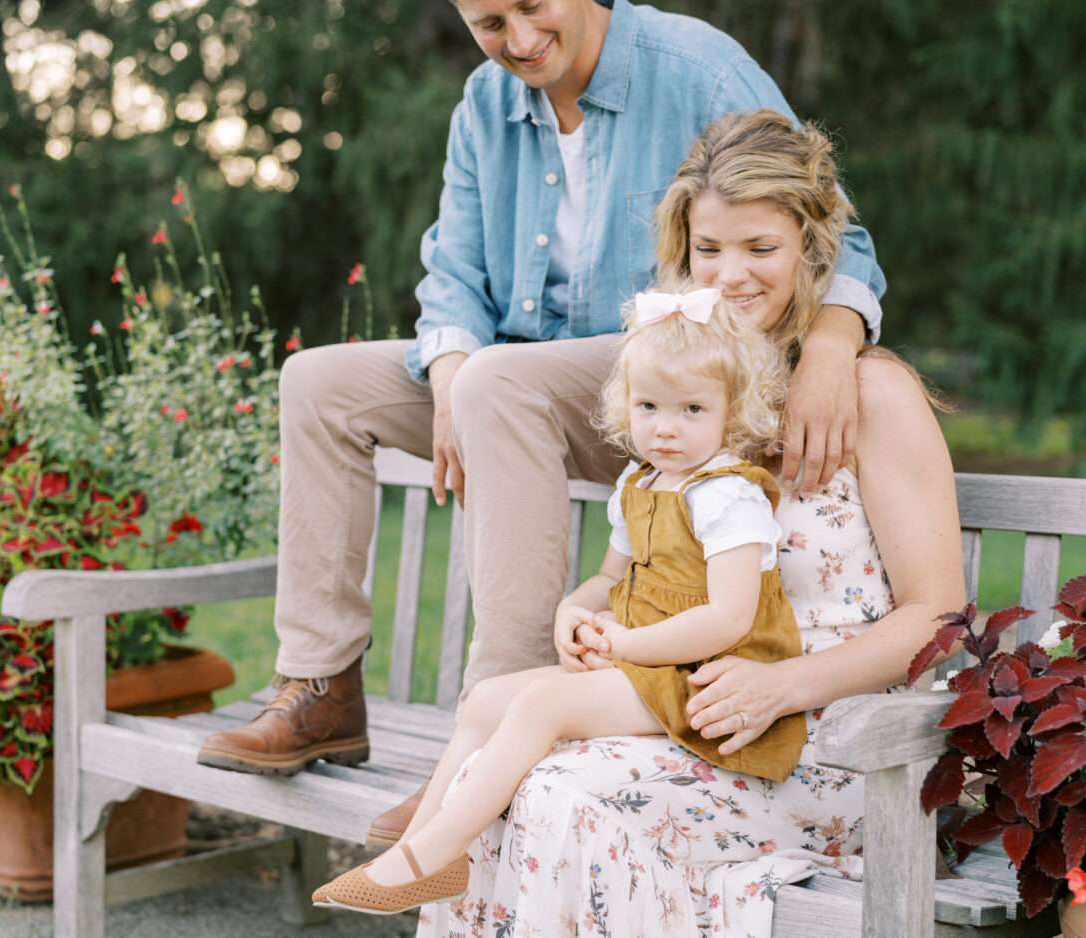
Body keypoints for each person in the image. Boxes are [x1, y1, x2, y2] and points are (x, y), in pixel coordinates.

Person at [196, 0, 888, 845]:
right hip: (517, 387)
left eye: (532, 8)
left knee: (499, 381)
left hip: (674, 389)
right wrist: (448, 374)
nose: (518, 42)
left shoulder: (696, 67)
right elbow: (451, 272)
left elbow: (830, 231)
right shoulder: (486, 106)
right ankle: (320, 687)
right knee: (320, 382)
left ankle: (490, 747)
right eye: (490, 21)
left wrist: (829, 347)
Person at [416, 109, 965, 937]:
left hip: (836, 742)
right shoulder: (688, 399)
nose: (733, 275)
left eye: (760, 249)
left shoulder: (870, 392)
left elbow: (940, 618)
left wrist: (782, 685)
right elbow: (644, 565)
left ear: (812, 248)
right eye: (710, 250)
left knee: (568, 795)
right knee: (510, 775)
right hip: (687, 713)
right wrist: (591, 614)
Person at [313, 281, 810, 914]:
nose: (665, 428)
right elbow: (610, 578)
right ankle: (423, 854)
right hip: (648, 666)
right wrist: (575, 610)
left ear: (730, 413)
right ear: (626, 406)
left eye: (692, 410)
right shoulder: (640, 481)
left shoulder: (728, 495)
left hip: (712, 684)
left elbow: (729, 618)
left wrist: (628, 643)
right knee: (490, 699)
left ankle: (424, 855)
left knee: (543, 700)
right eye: (650, 406)